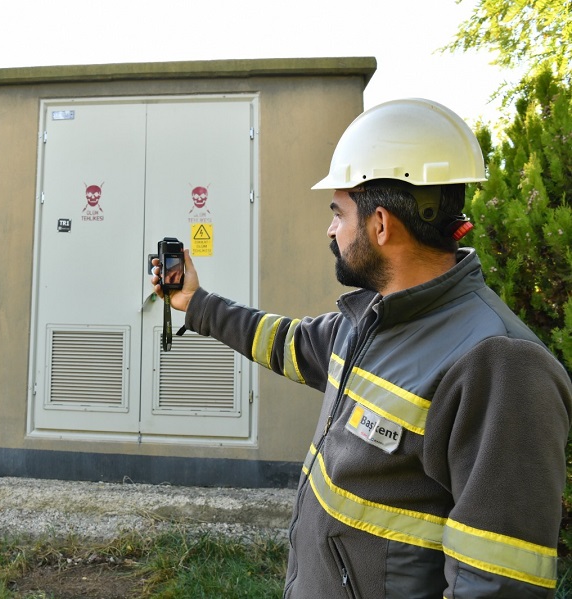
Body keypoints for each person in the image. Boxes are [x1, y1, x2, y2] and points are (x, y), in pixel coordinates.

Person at [152, 98, 572, 598]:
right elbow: (288, 342)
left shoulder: (500, 364)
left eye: (338, 213)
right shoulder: (373, 317)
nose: (331, 228)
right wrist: (195, 303)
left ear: (380, 225)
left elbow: (498, 585)